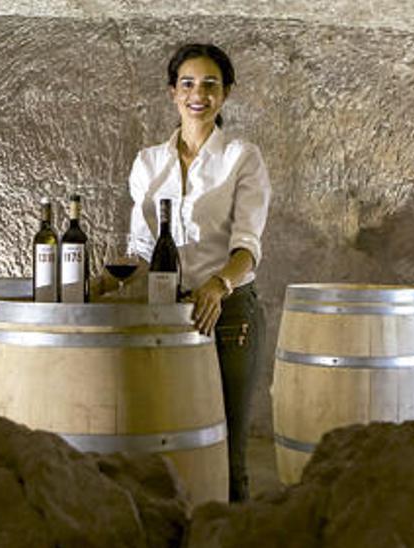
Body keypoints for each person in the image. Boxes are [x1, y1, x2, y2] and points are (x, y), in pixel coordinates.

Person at [125, 43, 271, 502]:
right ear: (172, 93)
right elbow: (140, 252)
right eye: (187, 83)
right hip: (166, 315)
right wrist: (97, 283)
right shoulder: (148, 163)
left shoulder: (242, 158)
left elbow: (248, 247)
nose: (198, 94)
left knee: (227, 450)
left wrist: (217, 284)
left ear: (226, 94)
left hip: (229, 315)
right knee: (171, 444)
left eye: (210, 84)